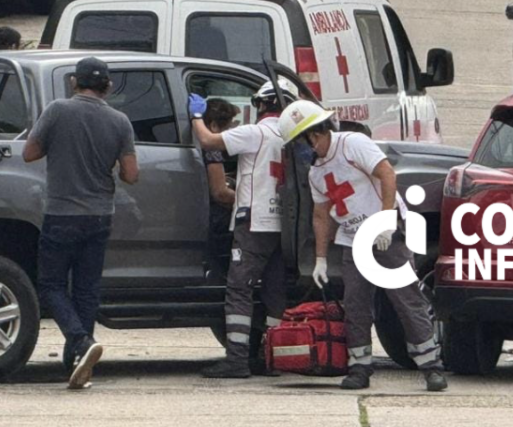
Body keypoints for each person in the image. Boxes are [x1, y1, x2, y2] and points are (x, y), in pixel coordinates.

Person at [279, 100, 447, 393]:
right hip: (353, 239)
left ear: (314, 135)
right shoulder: (316, 173)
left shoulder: (353, 144)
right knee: (356, 306)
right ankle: (359, 367)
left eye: (300, 143)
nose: (301, 151)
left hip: (385, 234)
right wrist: (320, 259)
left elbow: (387, 175)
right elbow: (321, 215)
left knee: (406, 300)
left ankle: (431, 366)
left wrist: (385, 221)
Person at [23, 57, 139, 389]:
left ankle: (81, 341)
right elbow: (131, 174)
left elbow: (29, 153)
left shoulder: (57, 110)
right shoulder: (120, 121)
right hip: (100, 215)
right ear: (108, 86)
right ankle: (78, 364)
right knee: (87, 290)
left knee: (51, 286)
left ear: (74, 82)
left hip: (62, 213)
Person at [189, 80, 294, 378]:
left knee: (239, 289)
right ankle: (273, 357)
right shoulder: (291, 137)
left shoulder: (255, 132)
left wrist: (196, 116)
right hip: (283, 224)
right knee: (275, 291)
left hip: (254, 223)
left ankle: (236, 359)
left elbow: (208, 141)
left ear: (262, 104)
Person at [202, 98, 240, 282]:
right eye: (228, 127)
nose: (231, 132)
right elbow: (220, 193)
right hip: (216, 219)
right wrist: (249, 200)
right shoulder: (212, 149)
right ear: (214, 126)